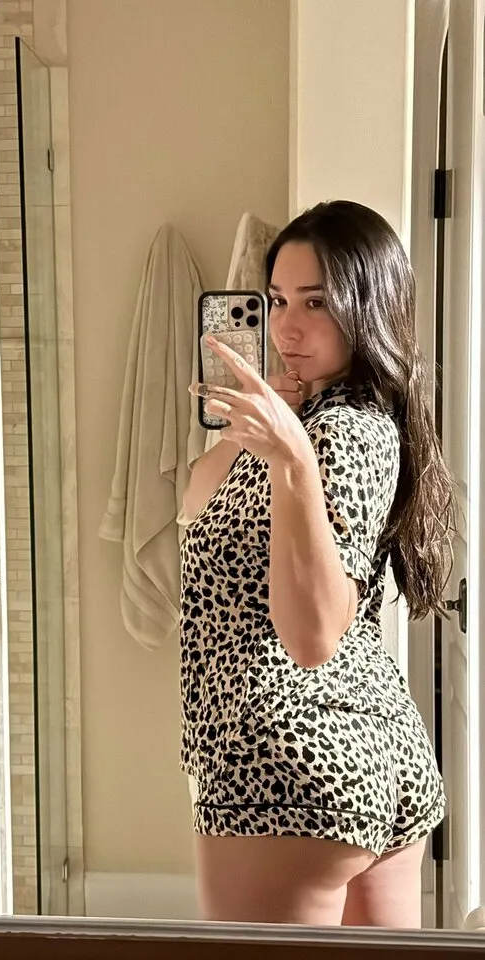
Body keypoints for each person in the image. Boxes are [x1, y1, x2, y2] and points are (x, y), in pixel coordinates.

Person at [180, 200, 456, 928]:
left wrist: (294, 459)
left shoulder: (342, 435)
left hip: (281, 766)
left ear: (368, 309)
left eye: (317, 303)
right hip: (378, 758)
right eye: (277, 301)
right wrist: (262, 424)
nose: (286, 328)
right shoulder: (317, 420)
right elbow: (195, 502)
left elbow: (311, 636)